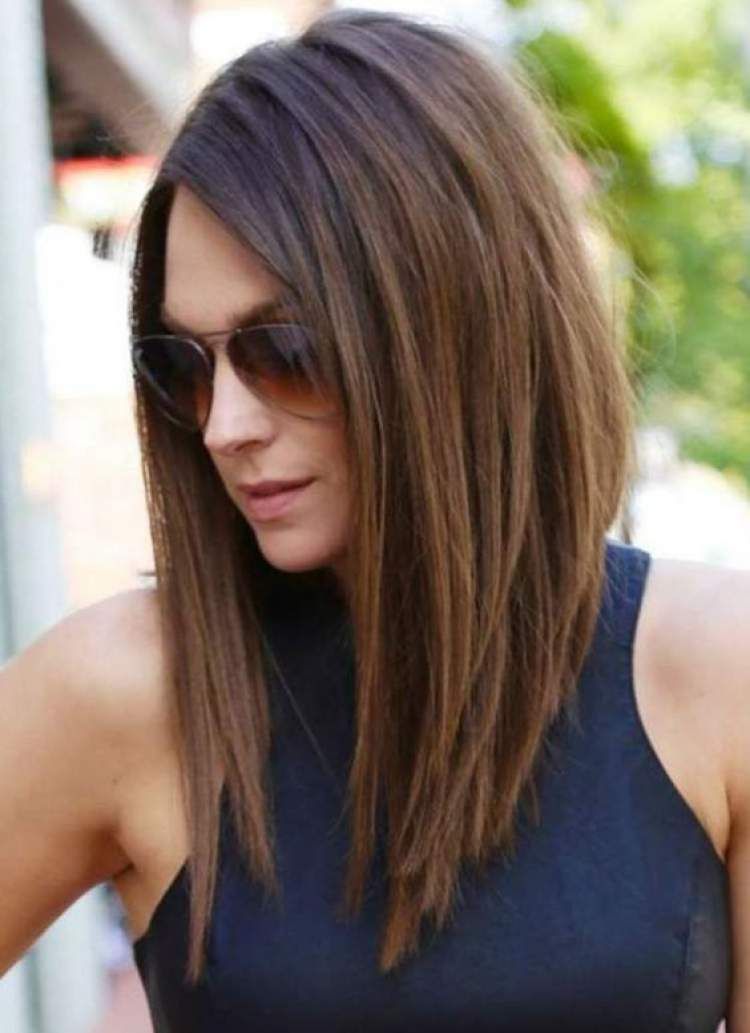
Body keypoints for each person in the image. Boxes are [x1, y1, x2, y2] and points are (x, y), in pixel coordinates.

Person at [1, 8, 748, 1031]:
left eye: (284, 351)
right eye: (184, 365)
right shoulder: (128, 688)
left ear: (455, 327)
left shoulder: (715, 669)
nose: (223, 425)